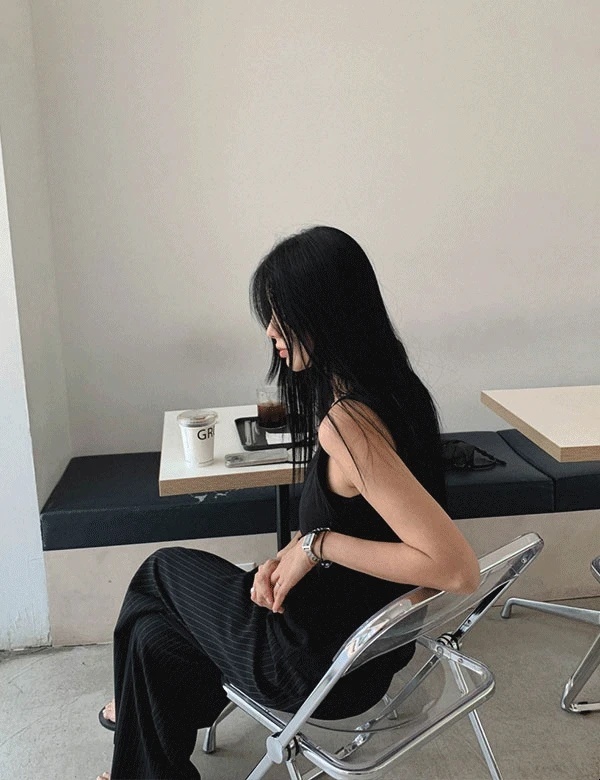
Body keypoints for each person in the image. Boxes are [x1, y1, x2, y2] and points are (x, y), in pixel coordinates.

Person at [96, 225, 480, 780]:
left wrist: (315, 546)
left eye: (283, 315)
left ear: (327, 314)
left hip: (315, 665)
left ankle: (128, 721)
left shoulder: (348, 425)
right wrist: (293, 555)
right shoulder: (401, 392)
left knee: (158, 572)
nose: (271, 331)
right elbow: (367, 525)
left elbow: (456, 568)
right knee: (155, 639)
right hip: (363, 655)